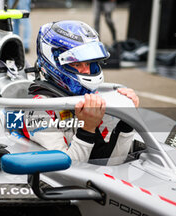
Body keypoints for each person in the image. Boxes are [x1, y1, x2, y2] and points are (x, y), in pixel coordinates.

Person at [23, 20, 139, 164]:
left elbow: (113, 161)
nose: (87, 71)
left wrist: (128, 120)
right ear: (54, 63)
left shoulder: (94, 97)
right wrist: (87, 128)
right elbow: (68, 168)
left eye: (90, 63)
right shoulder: (38, 111)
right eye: (77, 64)